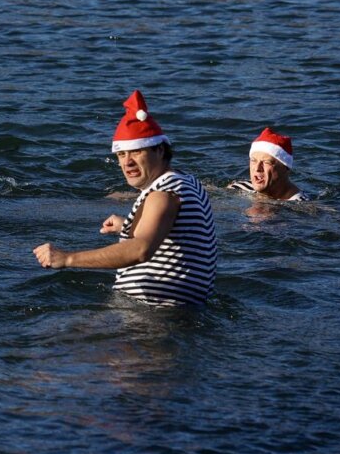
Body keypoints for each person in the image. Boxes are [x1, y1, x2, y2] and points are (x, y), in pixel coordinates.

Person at [32, 90, 217, 306]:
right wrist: (128, 227)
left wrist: (68, 258)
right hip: (171, 311)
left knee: (52, 336)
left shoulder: (162, 195)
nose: (126, 162)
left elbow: (141, 250)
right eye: (121, 154)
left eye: (136, 152)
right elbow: (179, 233)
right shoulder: (186, 182)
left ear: (159, 150)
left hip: (154, 315)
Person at [228, 127, 308, 201]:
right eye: (253, 160)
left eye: (267, 162)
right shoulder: (238, 188)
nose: (257, 168)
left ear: (285, 168)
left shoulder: (301, 207)